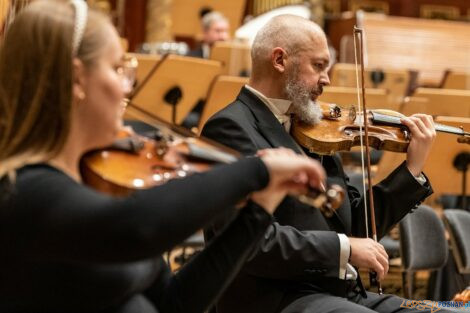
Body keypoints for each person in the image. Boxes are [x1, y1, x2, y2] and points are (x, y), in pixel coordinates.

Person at [0, 3, 327, 313]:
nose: (128, 87)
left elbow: (175, 304)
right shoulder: (21, 191)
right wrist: (258, 169)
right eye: (118, 69)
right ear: (76, 79)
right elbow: (133, 227)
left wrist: (257, 212)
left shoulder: (98, 186)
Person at [202, 14, 451, 313]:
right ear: (280, 60)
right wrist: (343, 248)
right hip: (278, 300)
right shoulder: (230, 128)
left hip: (342, 296)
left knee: (450, 312)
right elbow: (252, 242)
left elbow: (358, 227)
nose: (327, 79)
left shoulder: (314, 128)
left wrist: (411, 168)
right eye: (318, 66)